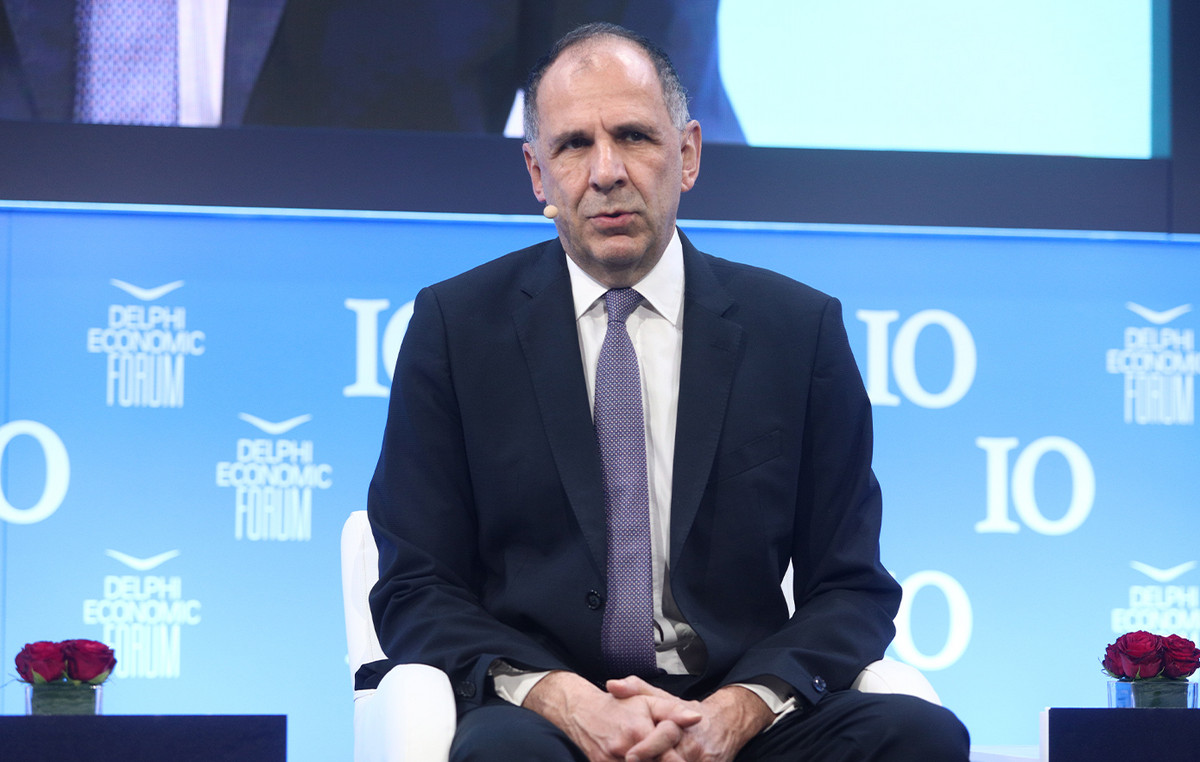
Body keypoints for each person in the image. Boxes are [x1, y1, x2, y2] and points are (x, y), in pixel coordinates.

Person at [368, 22, 969, 761]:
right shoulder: (456, 328)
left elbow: (851, 588)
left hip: (737, 713)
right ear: (536, 173)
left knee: (919, 735)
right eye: (573, 145)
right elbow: (415, 586)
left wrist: (740, 710)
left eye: (633, 136)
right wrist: (566, 699)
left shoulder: (797, 330)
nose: (606, 172)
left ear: (687, 155)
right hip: (545, 717)